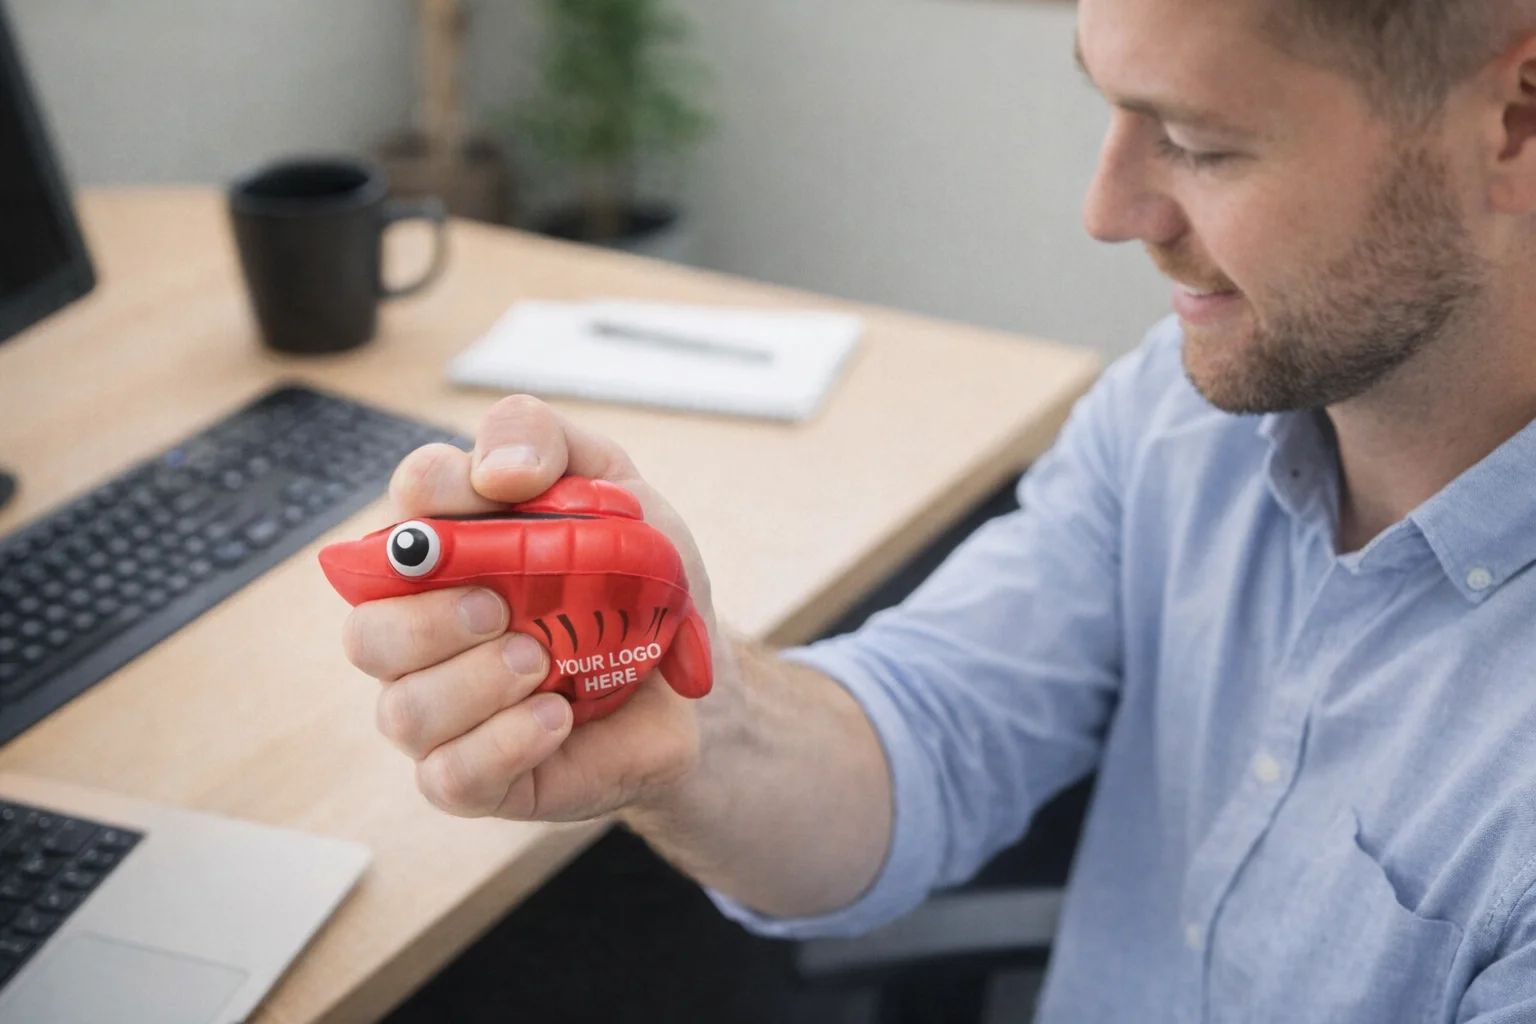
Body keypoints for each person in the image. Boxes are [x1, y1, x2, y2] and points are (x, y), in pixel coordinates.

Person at [338, 0, 1536, 1018]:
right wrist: (694, 720)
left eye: (1198, 144)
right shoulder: (1178, 419)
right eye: (1110, 109)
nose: (1110, 210)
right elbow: (930, 739)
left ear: (1516, 118)